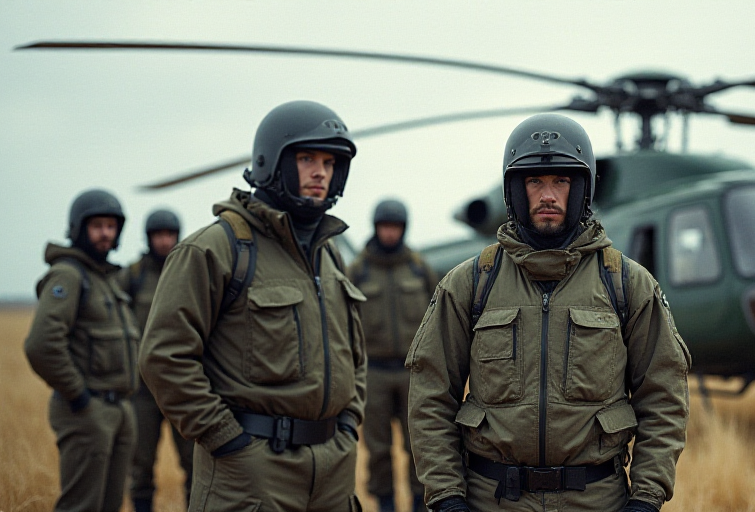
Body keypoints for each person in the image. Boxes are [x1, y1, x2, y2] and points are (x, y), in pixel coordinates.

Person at [406, 114, 691, 512]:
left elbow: (663, 397)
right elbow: (430, 397)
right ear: (514, 191)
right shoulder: (470, 284)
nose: (548, 195)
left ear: (583, 190)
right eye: (535, 181)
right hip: (492, 500)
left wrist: (646, 497)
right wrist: (448, 496)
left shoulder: (627, 284)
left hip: (597, 500)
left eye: (561, 181)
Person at [139, 100, 368, 512]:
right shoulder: (215, 249)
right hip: (251, 471)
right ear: (272, 162)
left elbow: (354, 354)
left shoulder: (330, 255)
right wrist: (226, 438)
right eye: (306, 158)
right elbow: (164, 357)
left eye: (331, 162)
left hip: (333, 470)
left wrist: (348, 424)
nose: (321, 171)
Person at [24, 189, 140, 512]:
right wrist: (79, 396)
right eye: (97, 226)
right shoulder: (69, 275)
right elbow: (41, 344)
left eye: (111, 226)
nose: (105, 233)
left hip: (119, 409)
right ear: (78, 228)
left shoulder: (106, 278)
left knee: (109, 505)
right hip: (89, 411)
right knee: (82, 506)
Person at [348, 199, 437, 512]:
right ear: (376, 228)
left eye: (395, 227)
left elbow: (436, 314)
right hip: (374, 372)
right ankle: (385, 503)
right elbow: (345, 322)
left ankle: (417, 502)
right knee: (378, 447)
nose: (389, 233)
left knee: (418, 445)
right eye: (385, 227)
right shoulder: (358, 271)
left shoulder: (418, 267)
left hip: (413, 371)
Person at [118, 209, 194, 512]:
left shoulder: (189, 270)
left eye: (169, 234)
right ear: (148, 238)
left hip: (183, 388)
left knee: (195, 465)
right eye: (158, 235)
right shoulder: (133, 276)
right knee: (140, 467)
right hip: (142, 391)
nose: (164, 241)